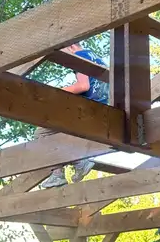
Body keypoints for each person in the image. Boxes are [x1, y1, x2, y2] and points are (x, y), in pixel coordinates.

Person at [40, 42, 109, 189]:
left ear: (71, 46)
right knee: (60, 133)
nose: (67, 60)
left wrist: (54, 91)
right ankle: (75, 164)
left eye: (65, 54)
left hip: (89, 109)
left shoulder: (79, 56)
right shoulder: (97, 58)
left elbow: (83, 86)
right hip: (103, 109)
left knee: (42, 132)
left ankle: (65, 170)